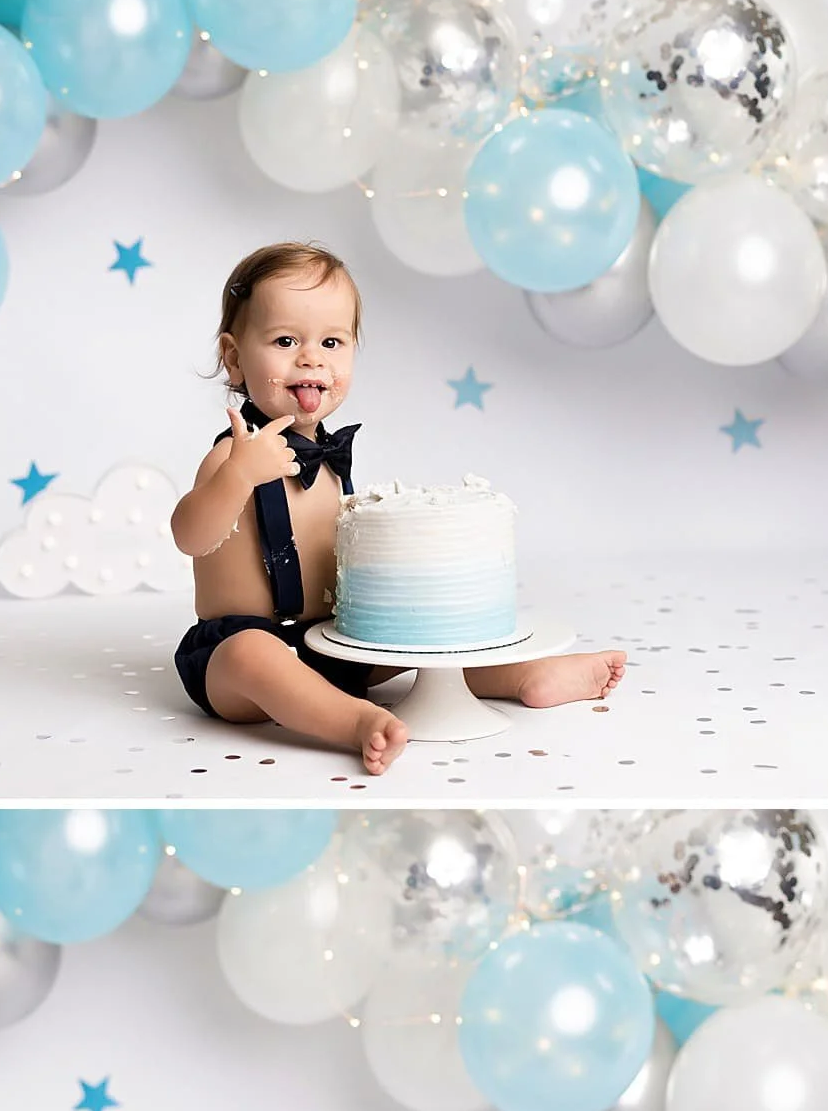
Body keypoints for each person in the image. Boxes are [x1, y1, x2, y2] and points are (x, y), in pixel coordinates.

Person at [171, 242, 626, 774]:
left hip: (327, 642)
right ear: (234, 357)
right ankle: (352, 722)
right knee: (256, 657)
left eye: (333, 341)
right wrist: (239, 476)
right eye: (286, 340)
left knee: (412, 643)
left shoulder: (332, 461)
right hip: (234, 652)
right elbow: (191, 535)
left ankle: (521, 675)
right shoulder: (233, 455)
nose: (311, 357)